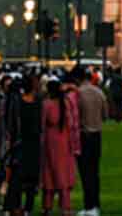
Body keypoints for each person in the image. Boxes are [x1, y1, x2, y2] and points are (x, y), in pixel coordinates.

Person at [41, 78, 81, 216]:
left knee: (49, 174)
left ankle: (47, 206)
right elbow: (72, 123)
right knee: (63, 173)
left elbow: (42, 124)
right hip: (64, 141)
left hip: (50, 142)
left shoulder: (47, 105)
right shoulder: (65, 104)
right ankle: (65, 206)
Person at [3, 77, 42, 216]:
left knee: (24, 176)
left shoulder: (22, 102)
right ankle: (21, 207)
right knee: (23, 177)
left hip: (26, 143)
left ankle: (19, 206)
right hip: (26, 143)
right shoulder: (35, 103)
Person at [75, 67, 108, 216]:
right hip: (96, 135)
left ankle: (89, 206)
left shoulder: (78, 94)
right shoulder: (99, 92)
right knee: (94, 172)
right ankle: (95, 205)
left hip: (83, 135)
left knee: (85, 173)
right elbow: (105, 115)